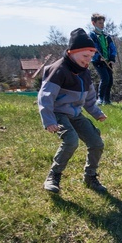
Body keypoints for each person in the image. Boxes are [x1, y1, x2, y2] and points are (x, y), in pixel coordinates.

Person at [39, 28, 108, 194]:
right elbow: (45, 97)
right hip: (58, 113)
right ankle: (53, 175)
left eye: (91, 57)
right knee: (71, 140)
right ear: (71, 52)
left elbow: (90, 98)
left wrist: (96, 113)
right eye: (85, 56)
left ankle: (90, 177)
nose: (88, 60)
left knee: (96, 143)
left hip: (76, 114)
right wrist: (49, 120)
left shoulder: (85, 73)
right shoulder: (59, 70)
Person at [89, 13, 117, 106]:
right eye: (100, 23)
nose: (102, 25)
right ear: (94, 23)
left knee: (110, 80)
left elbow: (112, 47)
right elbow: (92, 48)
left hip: (107, 60)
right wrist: (98, 56)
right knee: (105, 78)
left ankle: (107, 100)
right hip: (98, 61)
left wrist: (112, 57)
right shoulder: (91, 36)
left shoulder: (106, 36)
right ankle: (100, 99)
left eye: (103, 23)